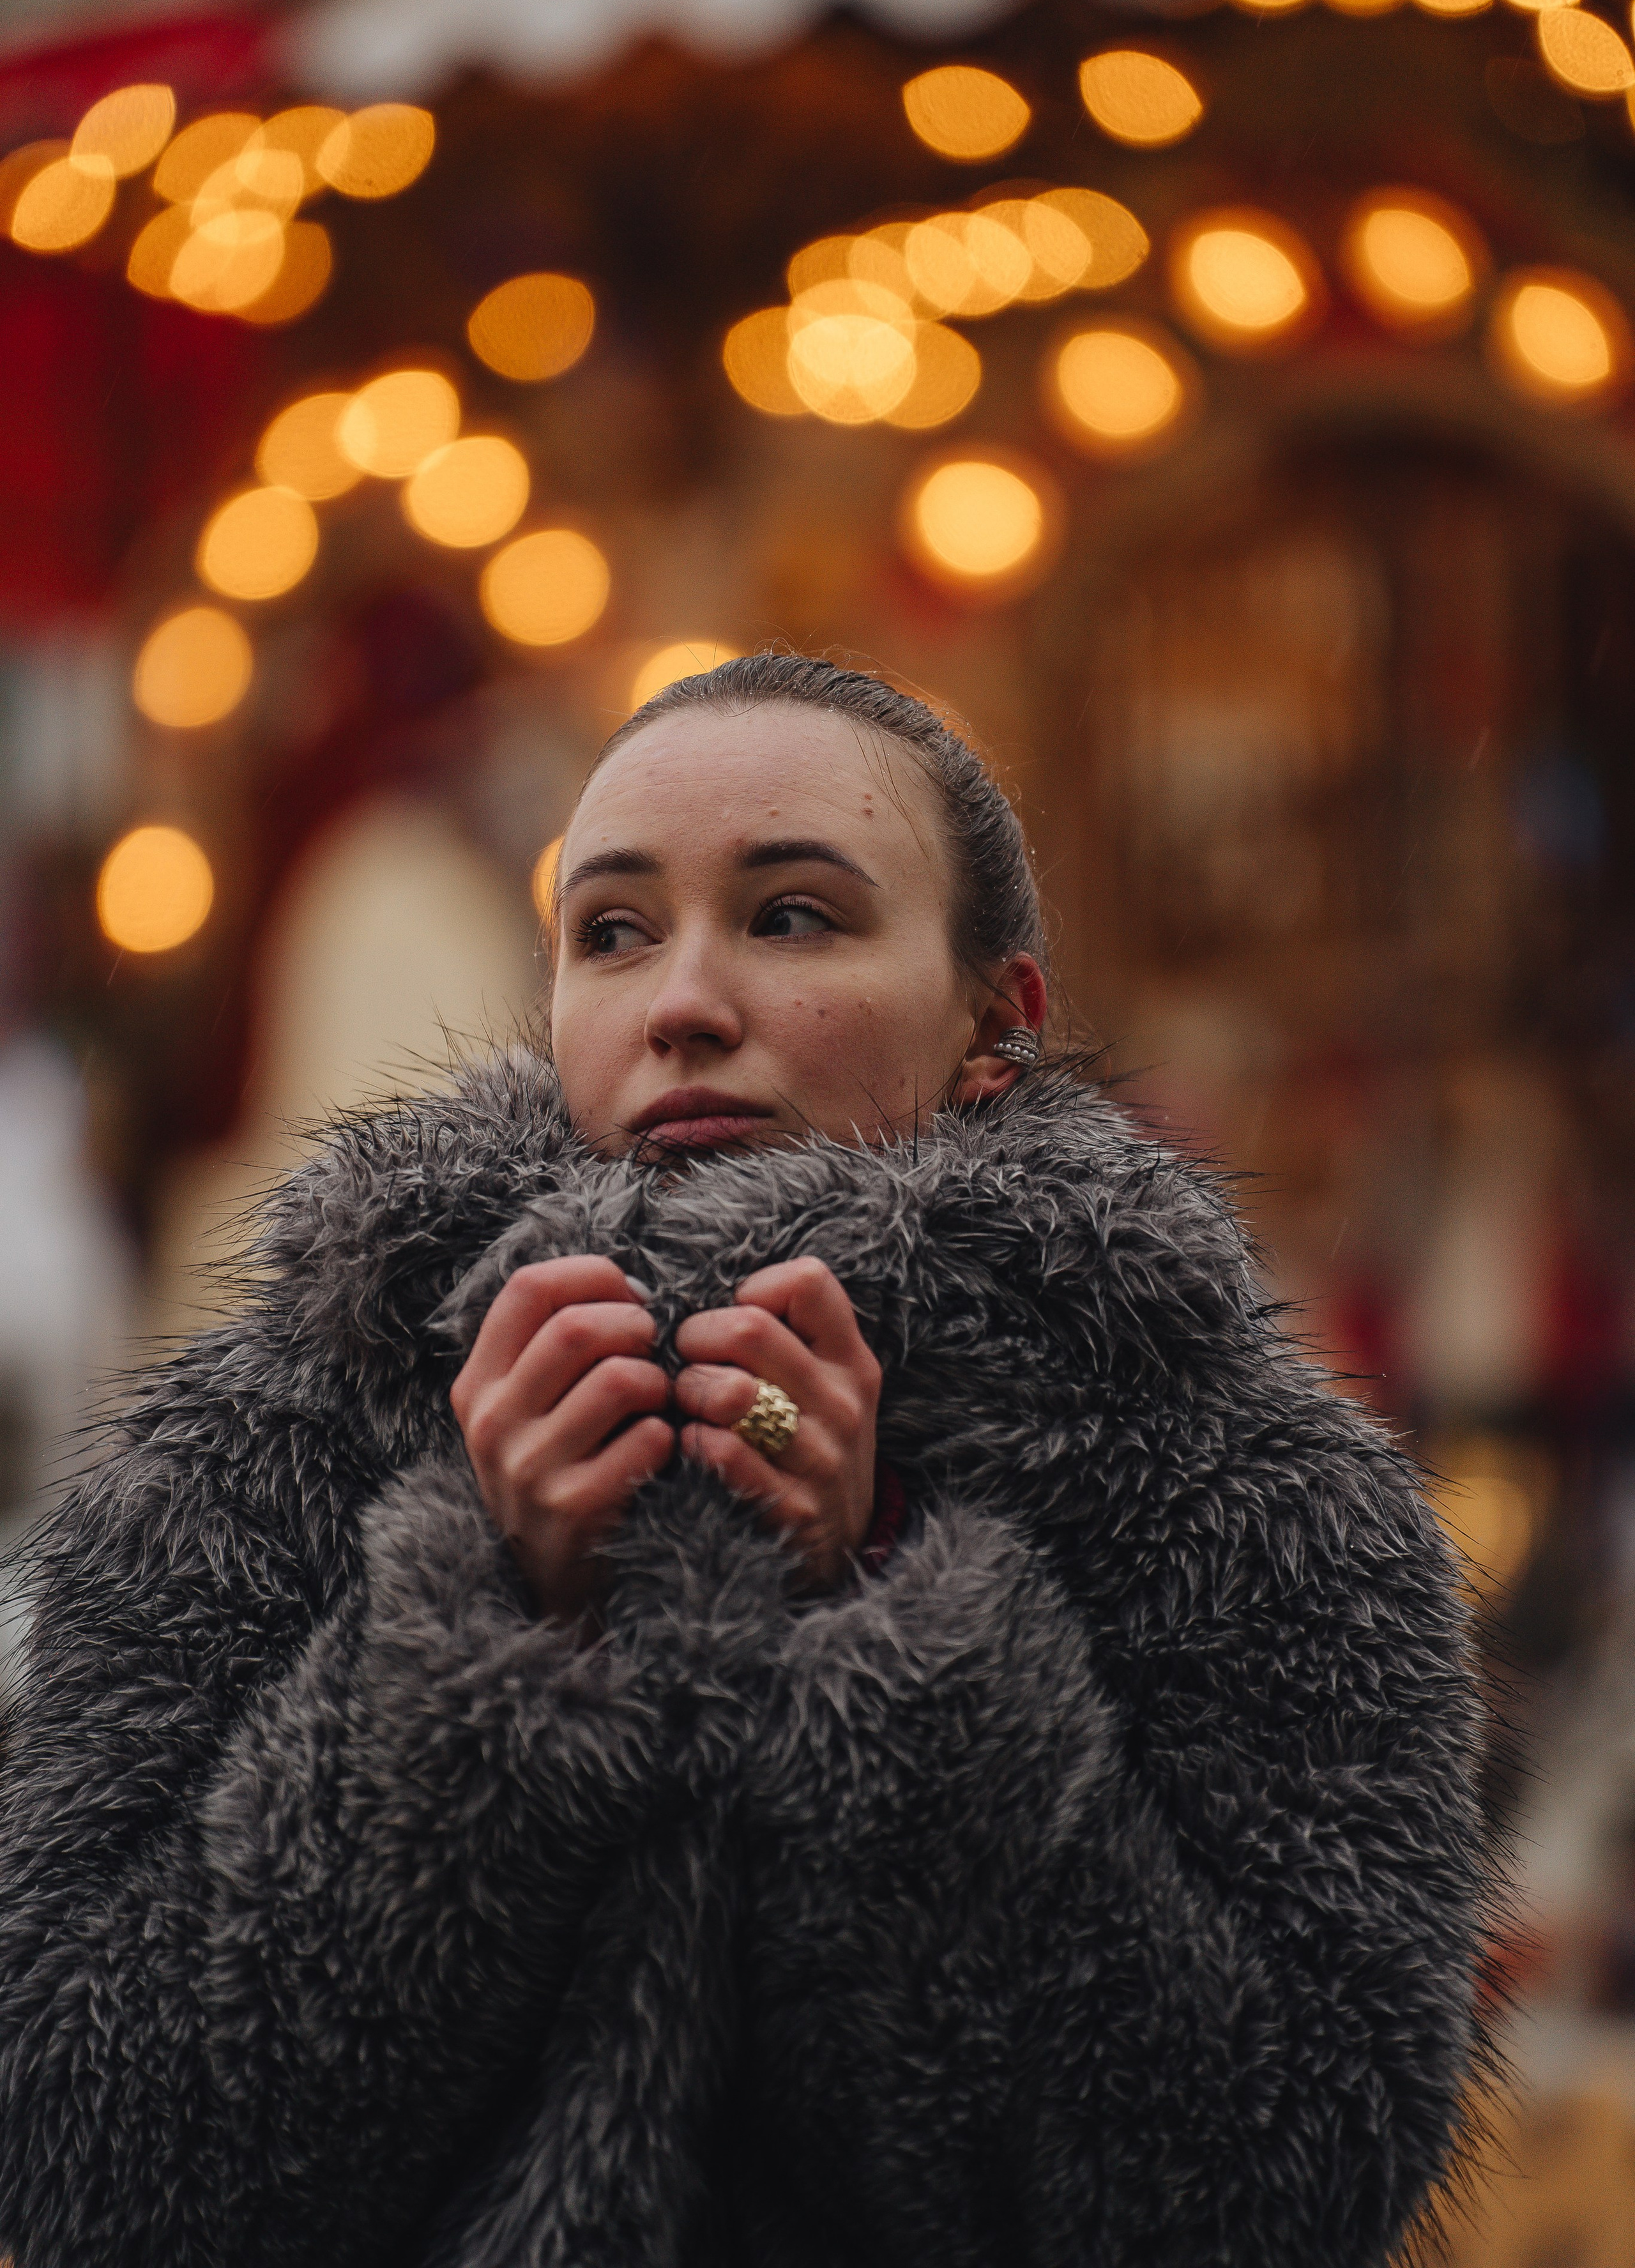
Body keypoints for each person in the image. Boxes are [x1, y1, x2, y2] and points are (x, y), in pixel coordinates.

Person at [0, 655, 1487, 2267]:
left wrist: (893, 1611)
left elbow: (1276, 2184)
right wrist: (487, 1638)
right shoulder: (267, 1447)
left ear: (1000, 1016)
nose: (682, 1003)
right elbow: (92, 2159)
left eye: (792, 917)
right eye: (613, 932)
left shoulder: (1241, 1495)